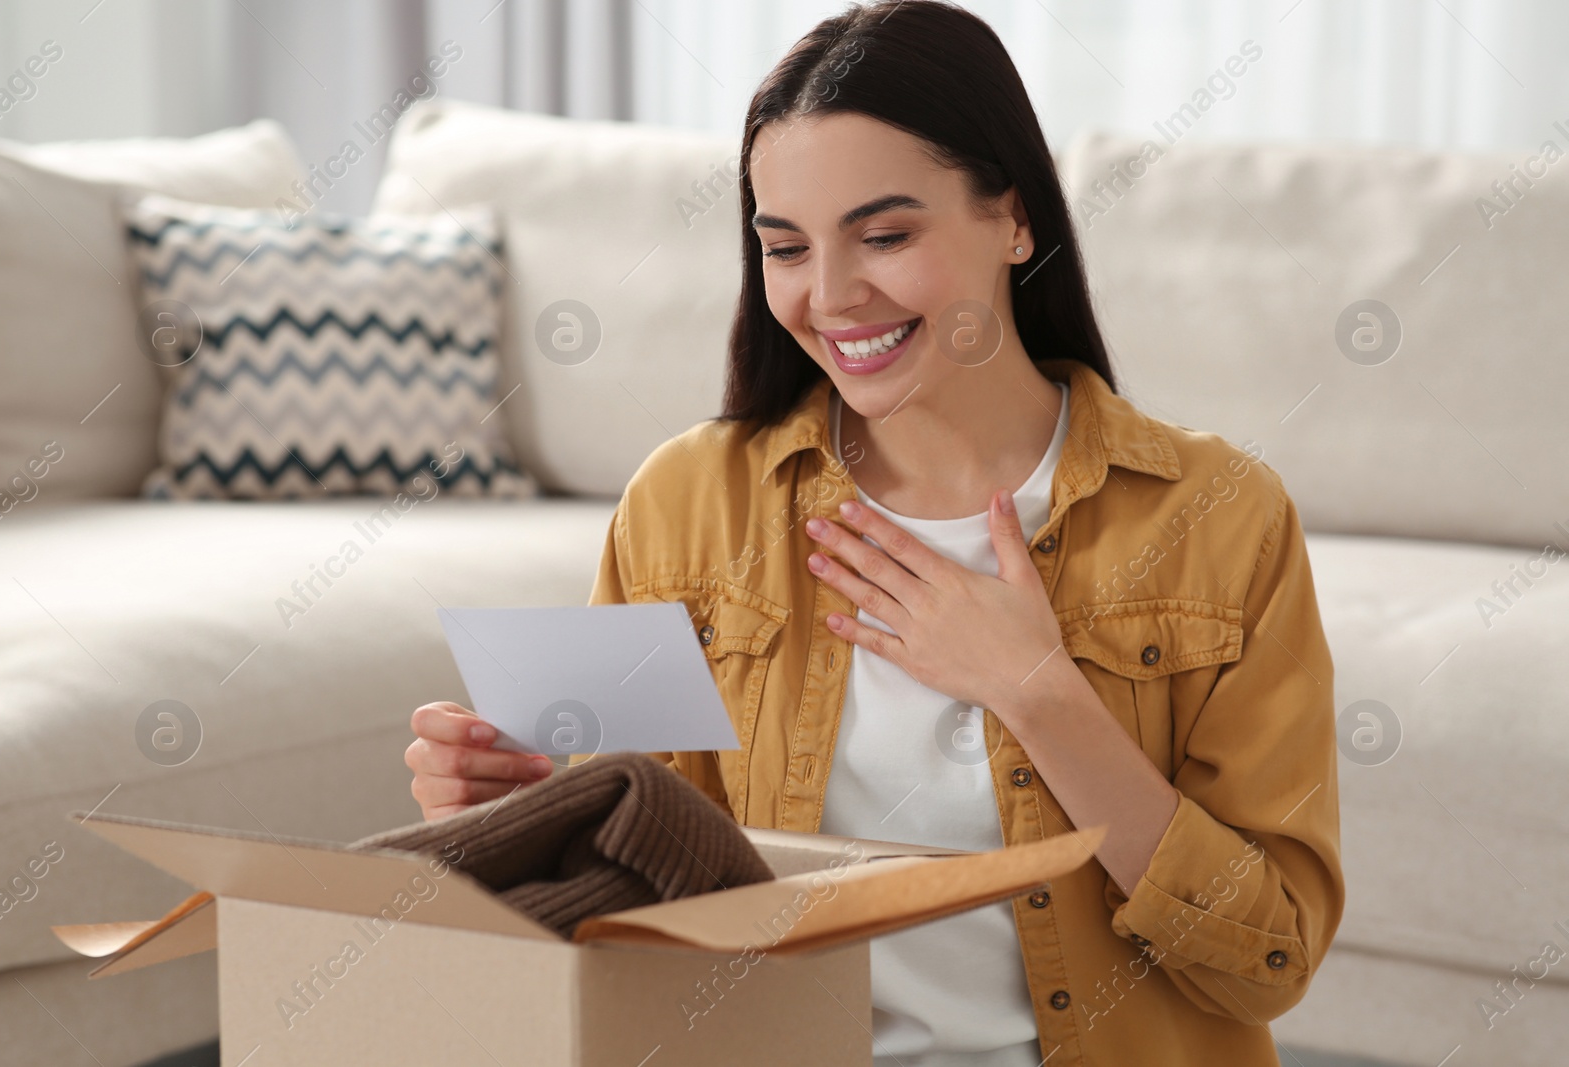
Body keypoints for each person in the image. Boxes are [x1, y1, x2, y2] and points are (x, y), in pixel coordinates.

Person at [405, 2, 1345, 1064]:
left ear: (1015, 217)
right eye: (786, 246)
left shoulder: (1218, 517)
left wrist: (1037, 690)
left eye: (885, 234)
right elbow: (625, 922)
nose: (832, 295)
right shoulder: (683, 505)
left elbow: (1269, 951)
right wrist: (513, 817)